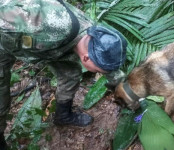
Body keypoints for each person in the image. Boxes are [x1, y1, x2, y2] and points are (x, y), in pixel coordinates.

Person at [0, 0, 127, 149]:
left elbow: (109, 68)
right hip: (5, 40)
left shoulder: (94, 36)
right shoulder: (49, 25)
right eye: (99, 70)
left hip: (48, 47)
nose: (100, 73)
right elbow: (5, 14)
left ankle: (63, 116)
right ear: (86, 58)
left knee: (70, 74)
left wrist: (127, 89)